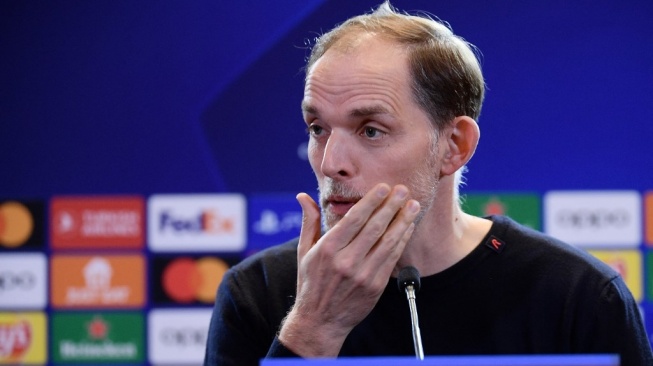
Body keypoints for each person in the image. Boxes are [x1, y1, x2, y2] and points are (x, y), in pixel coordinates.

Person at [204, 2, 653, 365]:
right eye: (318, 128)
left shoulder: (578, 296)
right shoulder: (256, 292)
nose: (330, 163)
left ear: (454, 145)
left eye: (370, 130)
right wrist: (314, 329)